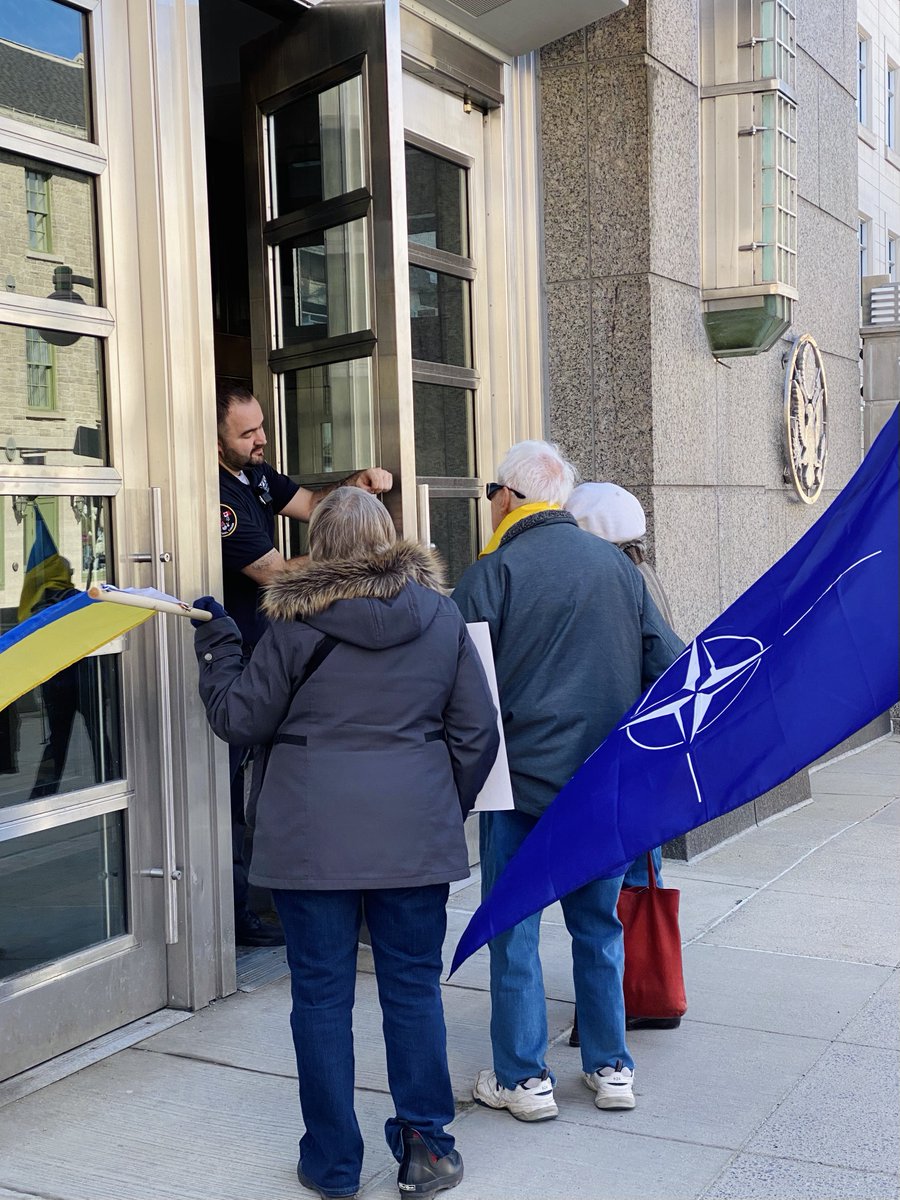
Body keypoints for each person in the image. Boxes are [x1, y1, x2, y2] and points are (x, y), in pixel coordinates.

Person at [193, 487, 499, 1200]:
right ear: (390, 538)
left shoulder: (293, 626)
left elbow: (240, 718)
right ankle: (428, 1149)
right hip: (412, 837)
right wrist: (434, 808)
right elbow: (478, 735)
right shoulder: (440, 615)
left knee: (323, 999)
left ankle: (332, 1163)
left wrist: (217, 646)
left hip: (309, 841)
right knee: (413, 992)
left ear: (320, 546)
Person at [452, 441, 683, 1121]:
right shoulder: (618, 571)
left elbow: (460, 691)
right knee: (598, 929)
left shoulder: (490, 574)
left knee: (515, 932)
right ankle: (611, 1068)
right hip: (599, 790)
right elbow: (667, 668)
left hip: (517, 789)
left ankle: (524, 1080)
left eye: (492, 489)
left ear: (510, 498)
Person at [216, 379, 393, 946]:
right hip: (242, 654)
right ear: (215, 437)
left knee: (269, 782)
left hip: (270, 648)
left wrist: (354, 489)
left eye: (261, 426)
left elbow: (313, 505)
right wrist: (352, 560)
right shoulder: (222, 499)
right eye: (247, 433)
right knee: (234, 791)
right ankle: (239, 912)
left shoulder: (256, 476)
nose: (261, 439)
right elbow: (274, 572)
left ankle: (273, 896)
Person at [566, 480, 684, 1039]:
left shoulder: (609, 582)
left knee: (609, 893)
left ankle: (622, 997)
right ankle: (644, 990)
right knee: (639, 877)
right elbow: (671, 664)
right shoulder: (646, 577)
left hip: (609, 755)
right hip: (642, 756)